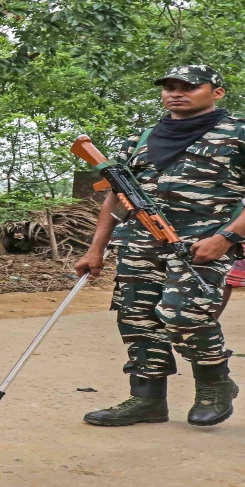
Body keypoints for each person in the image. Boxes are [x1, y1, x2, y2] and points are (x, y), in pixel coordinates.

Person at [76, 65, 245, 428]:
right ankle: (147, 399)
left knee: (182, 313)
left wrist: (226, 238)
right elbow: (117, 195)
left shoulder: (238, 133)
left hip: (204, 243)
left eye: (188, 86)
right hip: (139, 242)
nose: (175, 93)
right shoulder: (141, 138)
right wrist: (96, 249)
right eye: (169, 87)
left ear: (217, 92)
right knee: (137, 318)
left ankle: (215, 383)